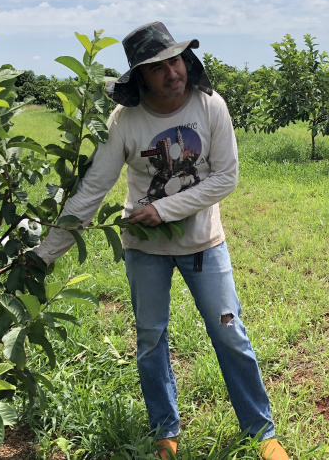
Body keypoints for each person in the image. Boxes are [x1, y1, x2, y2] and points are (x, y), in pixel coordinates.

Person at [33, 22, 288, 460]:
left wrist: (164, 210)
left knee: (230, 334)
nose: (173, 72)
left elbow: (226, 177)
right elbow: (93, 189)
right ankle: (164, 431)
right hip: (144, 248)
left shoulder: (211, 106)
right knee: (150, 339)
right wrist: (44, 254)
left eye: (176, 60)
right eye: (158, 66)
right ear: (140, 77)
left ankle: (261, 432)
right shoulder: (126, 121)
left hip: (204, 243)